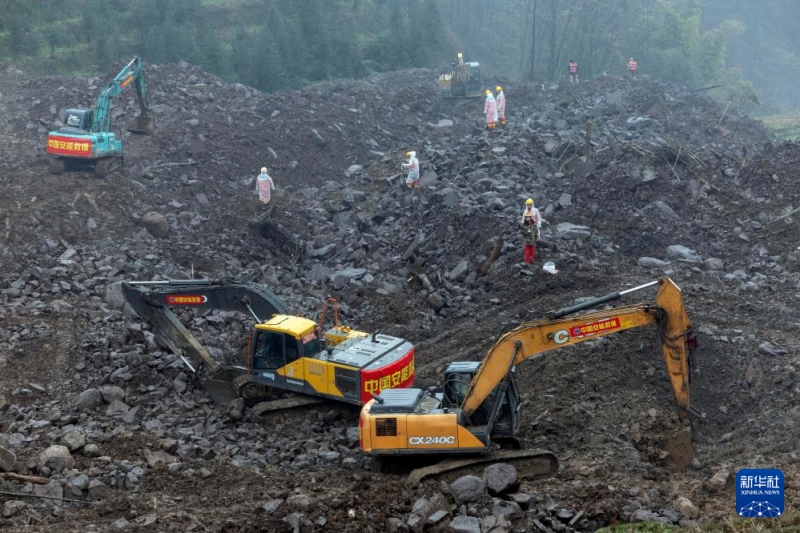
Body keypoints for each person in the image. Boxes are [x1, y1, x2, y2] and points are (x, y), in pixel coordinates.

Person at [520, 198, 542, 265]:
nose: (529, 205)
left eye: (530, 204)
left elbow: (539, 218)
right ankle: (527, 260)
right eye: (528, 204)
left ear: (532, 204)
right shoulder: (525, 211)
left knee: (532, 248)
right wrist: (523, 225)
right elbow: (523, 219)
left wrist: (538, 225)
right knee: (526, 249)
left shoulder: (535, 211)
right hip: (527, 240)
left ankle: (531, 259)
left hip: (533, 234)